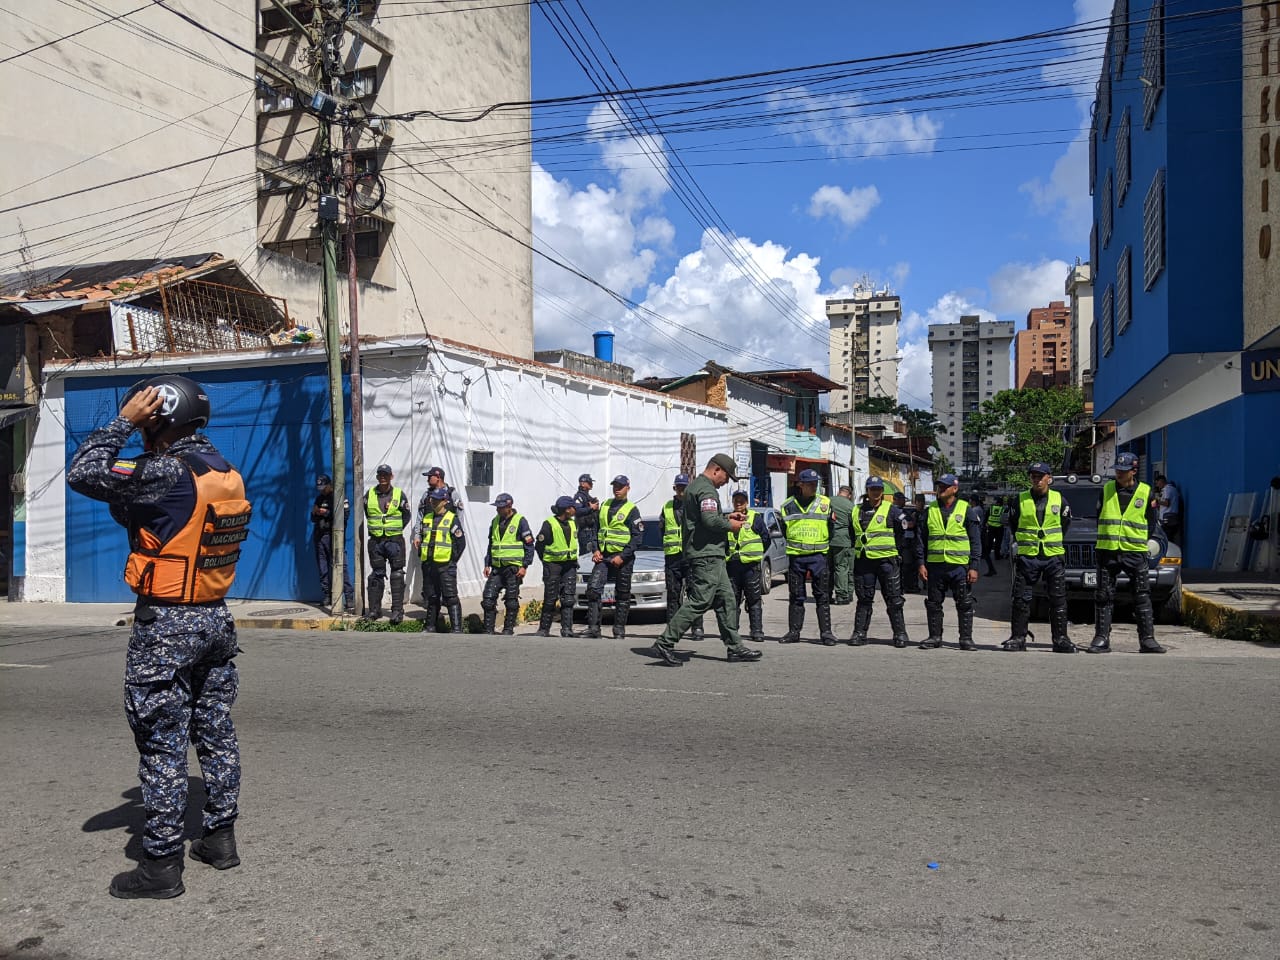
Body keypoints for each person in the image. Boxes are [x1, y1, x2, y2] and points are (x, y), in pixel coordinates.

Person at [68, 375, 249, 899]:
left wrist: (124, 421)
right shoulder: (225, 471)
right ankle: (219, 838)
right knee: (215, 732)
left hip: (168, 624)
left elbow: (85, 473)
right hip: (214, 619)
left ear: (160, 417)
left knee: (161, 745)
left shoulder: (164, 468)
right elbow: (141, 512)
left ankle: (161, 866)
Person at [648, 454, 764, 665]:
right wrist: (731, 526)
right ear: (716, 470)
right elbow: (709, 520)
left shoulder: (698, 487)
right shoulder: (706, 489)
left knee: (727, 599)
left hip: (712, 554)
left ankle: (735, 647)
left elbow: (706, 518)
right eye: (726, 477)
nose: (726, 482)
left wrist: (727, 517)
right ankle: (665, 643)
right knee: (700, 600)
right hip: (706, 554)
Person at [1090, 453, 1166, 653]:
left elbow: (1151, 522)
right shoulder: (1106, 489)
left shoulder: (1146, 492)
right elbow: (1100, 516)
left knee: (1141, 595)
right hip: (1108, 551)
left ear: (1133, 471)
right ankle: (1101, 638)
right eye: (1117, 470)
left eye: (1123, 471)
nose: (1119, 474)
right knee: (1104, 595)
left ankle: (1147, 639)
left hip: (1134, 551)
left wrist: (1136, 539)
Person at [1004, 462, 1077, 653]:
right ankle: (1018, 638)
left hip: (1053, 557)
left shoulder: (1059, 499)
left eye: (1040, 476)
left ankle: (1060, 639)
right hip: (1028, 557)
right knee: (1021, 599)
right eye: (1033, 476)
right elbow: (1013, 524)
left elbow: (1065, 523)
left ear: (1049, 478)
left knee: (1058, 599)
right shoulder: (1019, 500)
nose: (1036, 479)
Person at [916, 474, 981, 651]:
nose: (941, 489)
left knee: (965, 604)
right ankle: (935, 637)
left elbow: (975, 540)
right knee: (933, 603)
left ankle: (966, 639)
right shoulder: (930, 510)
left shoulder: (966, 509)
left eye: (944, 487)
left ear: (955, 488)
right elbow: (921, 539)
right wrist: (921, 563)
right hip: (935, 566)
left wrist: (974, 566)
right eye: (939, 487)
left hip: (959, 566)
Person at [848, 476, 910, 647]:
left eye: (878, 489)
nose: (875, 492)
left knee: (894, 599)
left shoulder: (892, 510)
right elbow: (852, 534)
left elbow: (904, 527)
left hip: (887, 562)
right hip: (864, 562)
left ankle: (900, 634)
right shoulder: (856, 510)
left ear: (882, 492)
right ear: (867, 491)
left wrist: (897, 549)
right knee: (864, 599)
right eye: (872, 489)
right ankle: (859, 633)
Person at [778, 468, 836, 644]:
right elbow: (783, 530)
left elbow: (831, 529)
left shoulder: (825, 503)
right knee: (796, 595)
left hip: (819, 556)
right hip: (797, 557)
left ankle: (826, 633)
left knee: (822, 595)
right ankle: (794, 632)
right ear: (800, 485)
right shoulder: (787, 506)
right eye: (810, 484)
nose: (814, 487)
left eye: (815, 484)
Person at [584, 475, 644, 639]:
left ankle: (619, 629)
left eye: (620, 486)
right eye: (615, 486)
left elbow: (637, 537)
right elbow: (595, 530)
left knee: (623, 593)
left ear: (627, 488)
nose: (617, 489)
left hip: (623, 559)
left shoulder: (632, 510)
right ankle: (593, 629)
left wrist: (623, 556)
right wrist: (595, 550)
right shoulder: (604, 506)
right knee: (593, 589)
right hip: (604, 556)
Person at [481, 493, 535, 635]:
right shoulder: (495, 521)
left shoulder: (520, 521)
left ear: (509, 506)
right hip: (497, 568)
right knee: (488, 598)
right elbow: (491, 544)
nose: (498, 510)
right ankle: (488, 630)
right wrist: (487, 563)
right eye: (497, 507)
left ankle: (508, 629)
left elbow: (529, 545)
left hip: (513, 568)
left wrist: (525, 566)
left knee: (511, 601)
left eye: (501, 507)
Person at [364, 463, 410, 624]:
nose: (382, 477)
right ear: (377, 477)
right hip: (376, 542)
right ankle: (374, 611)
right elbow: (367, 512)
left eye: (386, 475)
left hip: (394, 541)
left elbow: (406, 516)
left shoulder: (399, 494)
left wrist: (395, 529)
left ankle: (397, 610)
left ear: (391, 476)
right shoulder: (369, 494)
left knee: (397, 574)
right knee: (376, 575)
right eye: (380, 475)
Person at [661, 473, 705, 640]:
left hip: (691, 555)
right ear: (674, 488)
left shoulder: (695, 505)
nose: (681, 490)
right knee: (673, 594)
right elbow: (662, 530)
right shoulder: (667, 507)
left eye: (683, 487)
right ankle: (672, 629)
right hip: (673, 557)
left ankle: (697, 628)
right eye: (678, 487)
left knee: (695, 593)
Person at [418, 487, 466, 633]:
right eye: (432, 499)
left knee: (450, 597)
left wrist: (452, 560)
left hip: (446, 565)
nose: (433, 502)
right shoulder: (427, 518)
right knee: (431, 597)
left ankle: (456, 628)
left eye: (437, 500)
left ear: (445, 501)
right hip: (429, 564)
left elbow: (460, 543)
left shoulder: (452, 519)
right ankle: (430, 626)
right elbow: (423, 538)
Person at [534, 496, 581, 638]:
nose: (575, 510)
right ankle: (544, 629)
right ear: (567, 509)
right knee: (550, 598)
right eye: (573, 507)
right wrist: (547, 562)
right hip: (553, 565)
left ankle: (567, 629)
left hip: (570, 565)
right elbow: (539, 546)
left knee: (568, 598)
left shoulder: (573, 523)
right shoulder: (549, 524)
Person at [727, 488, 768, 642]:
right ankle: (733, 632)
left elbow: (766, 539)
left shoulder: (755, 518)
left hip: (751, 567)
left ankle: (756, 631)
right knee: (732, 601)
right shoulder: (728, 519)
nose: (738, 503)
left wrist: (755, 554)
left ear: (746, 503)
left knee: (754, 599)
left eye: (741, 501)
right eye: (736, 500)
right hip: (732, 566)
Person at [311, 473, 354, 612]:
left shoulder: (339, 496)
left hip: (333, 536)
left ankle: (349, 598)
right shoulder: (319, 498)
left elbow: (345, 516)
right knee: (322, 568)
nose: (322, 490)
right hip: (320, 536)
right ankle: (327, 595)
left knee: (341, 566)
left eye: (324, 487)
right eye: (320, 488)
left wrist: (326, 513)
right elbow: (312, 517)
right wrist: (315, 513)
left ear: (330, 484)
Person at [414, 466, 464, 554]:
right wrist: (417, 536)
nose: (427, 480)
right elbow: (420, 517)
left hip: (446, 547)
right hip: (428, 543)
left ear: (438, 477)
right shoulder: (426, 495)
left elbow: (460, 518)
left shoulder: (452, 494)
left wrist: (459, 536)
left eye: (430, 477)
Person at [828, 484, 856, 605]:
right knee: (842, 568)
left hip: (827, 539)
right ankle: (842, 595)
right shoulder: (851, 506)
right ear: (849, 495)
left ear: (839, 492)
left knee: (827, 568)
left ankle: (826, 594)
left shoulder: (828, 500)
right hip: (843, 540)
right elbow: (854, 525)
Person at [896, 491, 922, 594]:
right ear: (896, 500)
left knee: (912, 565)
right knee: (906, 566)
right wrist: (913, 521)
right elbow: (907, 525)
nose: (904, 502)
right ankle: (906, 586)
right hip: (903, 543)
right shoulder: (896, 511)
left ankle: (911, 585)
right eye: (902, 499)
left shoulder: (905, 511)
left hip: (910, 542)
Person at [572, 473, 600, 557]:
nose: (591, 484)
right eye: (589, 482)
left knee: (592, 554)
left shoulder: (587, 496)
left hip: (592, 530)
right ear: (583, 483)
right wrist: (591, 508)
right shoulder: (579, 496)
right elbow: (576, 510)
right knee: (586, 555)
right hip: (585, 531)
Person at [1153, 474, 1182, 546]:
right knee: (1170, 539)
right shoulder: (1172, 489)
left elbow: (1166, 503)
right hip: (1172, 518)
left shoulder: (1167, 489)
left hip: (1167, 519)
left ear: (1161, 481)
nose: (1157, 485)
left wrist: (1156, 501)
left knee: (1166, 539)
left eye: (1157, 483)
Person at [983, 495, 1007, 575]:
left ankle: (988, 553)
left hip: (991, 527)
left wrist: (984, 524)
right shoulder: (1003, 509)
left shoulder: (991, 508)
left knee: (989, 541)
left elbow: (986, 517)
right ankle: (997, 555)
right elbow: (1004, 519)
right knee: (998, 542)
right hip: (1000, 528)